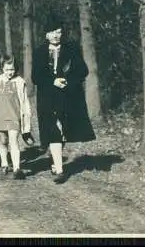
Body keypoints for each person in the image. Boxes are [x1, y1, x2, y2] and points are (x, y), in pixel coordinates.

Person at [31, 23, 96, 184]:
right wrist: (53, 81)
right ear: (46, 34)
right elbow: (35, 77)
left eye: (58, 32)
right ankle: (60, 170)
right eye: (52, 31)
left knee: (64, 130)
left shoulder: (71, 49)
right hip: (48, 96)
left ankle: (55, 159)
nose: (55, 35)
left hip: (68, 96)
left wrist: (68, 81)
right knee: (53, 129)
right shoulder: (39, 52)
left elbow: (83, 71)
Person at [0, 54, 32, 180]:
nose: (10, 72)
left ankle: (16, 168)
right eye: (7, 69)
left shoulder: (20, 82)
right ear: (2, 68)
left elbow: (24, 102)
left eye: (12, 69)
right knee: (3, 141)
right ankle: (4, 163)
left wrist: (26, 120)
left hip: (14, 116)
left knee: (14, 141)